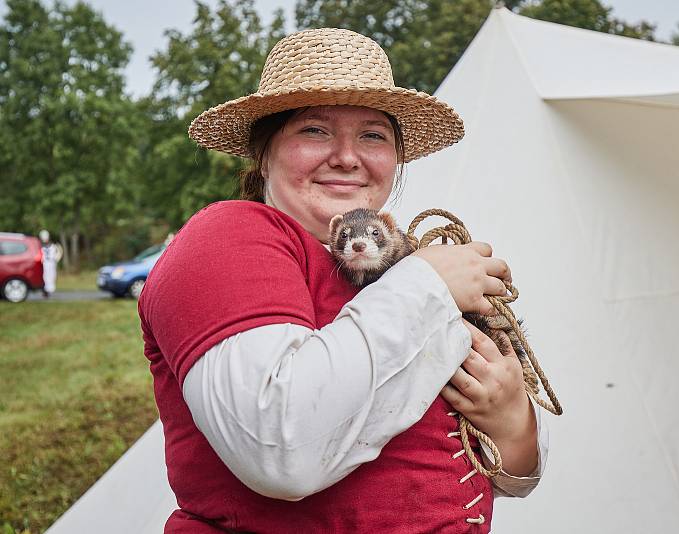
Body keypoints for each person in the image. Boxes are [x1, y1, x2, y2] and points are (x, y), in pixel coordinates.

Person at [139, 28, 548, 533]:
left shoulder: (402, 269)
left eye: (373, 135)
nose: (347, 157)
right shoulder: (227, 237)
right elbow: (280, 448)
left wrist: (512, 418)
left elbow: (515, 478)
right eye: (314, 130)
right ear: (265, 152)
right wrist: (430, 285)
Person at [39, 229, 61, 298]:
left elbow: (58, 253)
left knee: (50, 277)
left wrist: (56, 259)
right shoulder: (40, 246)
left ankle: (47, 291)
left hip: (50, 263)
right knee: (45, 277)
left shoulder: (53, 246)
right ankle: (45, 291)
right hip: (45, 263)